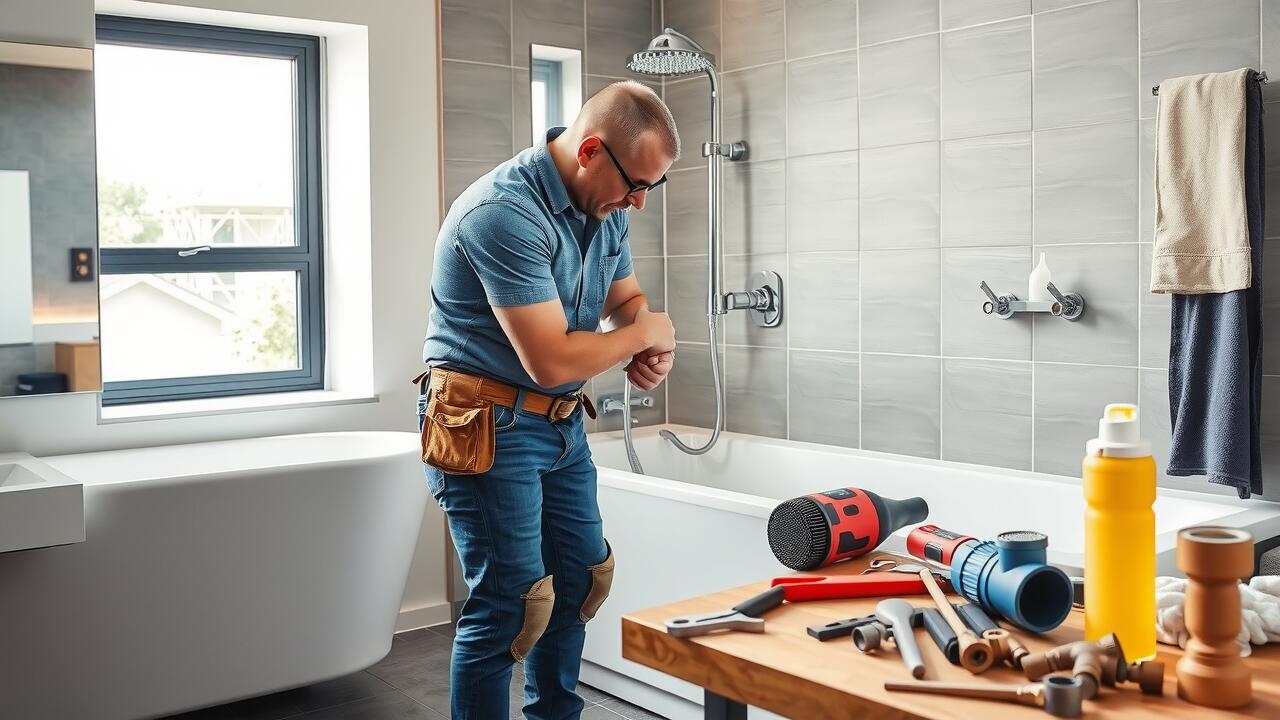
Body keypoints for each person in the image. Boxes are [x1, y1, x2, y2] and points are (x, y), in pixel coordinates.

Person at [415, 80, 679, 719]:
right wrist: (644, 334)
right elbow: (552, 357)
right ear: (590, 151)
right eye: (635, 185)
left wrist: (645, 339)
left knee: (582, 582)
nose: (639, 204)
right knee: (511, 606)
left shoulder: (603, 207)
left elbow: (628, 301)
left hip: (560, 425)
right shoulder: (503, 213)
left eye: (653, 187)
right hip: (487, 426)